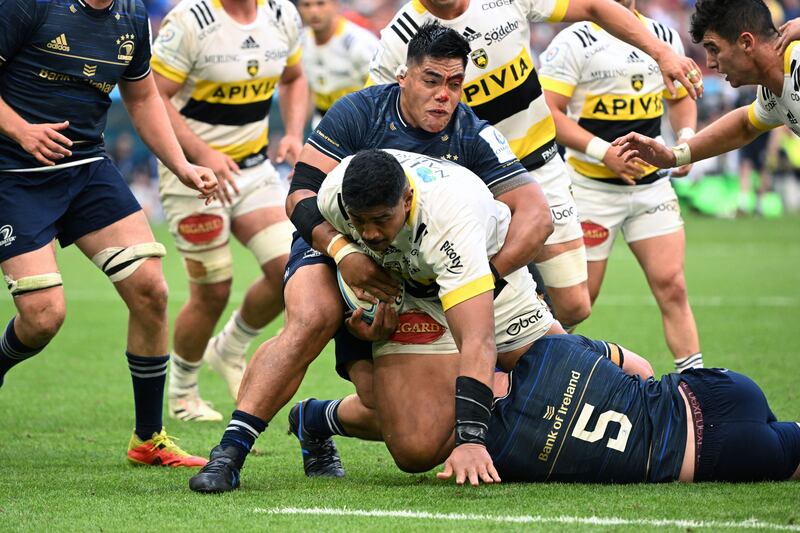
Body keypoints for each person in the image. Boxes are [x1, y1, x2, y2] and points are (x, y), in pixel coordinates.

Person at [188, 23, 556, 492]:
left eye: (454, 83)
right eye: (431, 80)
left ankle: (316, 419)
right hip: (334, 242)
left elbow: (536, 215)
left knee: (400, 421)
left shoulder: (473, 133)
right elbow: (299, 194)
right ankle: (229, 453)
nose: (444, 95)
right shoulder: (359, 112)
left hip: (417, 276)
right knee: (313, 316)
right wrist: (343, 253)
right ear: (404, 76)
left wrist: (482, 282)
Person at [367, 0, 705, 331]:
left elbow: (594, 6)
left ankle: (525, 350)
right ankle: (497, 359)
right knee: (479, 300)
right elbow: (377, 120)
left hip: (539, 166)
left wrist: (661, 53)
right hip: (472, 183)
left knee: (574, 306)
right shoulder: (400, 36)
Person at [0, 0, 217, 466]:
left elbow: (142, 98)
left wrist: (181, 164)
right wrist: (21, 131)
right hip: (14, 173)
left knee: (151, 290)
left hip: (87, 170)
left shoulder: (133, 16)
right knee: (42, 317)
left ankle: (148, 439)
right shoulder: (27, 6)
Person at [151, 0, 307, 421]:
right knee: (213, 289)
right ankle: (182, 391)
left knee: (291, 272)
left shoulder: (282, 14)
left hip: (252, 170)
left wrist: (294, 133)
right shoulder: (190, 21)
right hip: (193, 176)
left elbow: (294, 77)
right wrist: (202, 153)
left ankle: (229, 347)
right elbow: (153, 96)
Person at [538, 0, 703, 372]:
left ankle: (697, 385)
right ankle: (533, 374)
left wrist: (685, 140)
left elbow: (679, 98)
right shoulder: (573, 40)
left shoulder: (663, 36)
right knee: (577, 302)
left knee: (673, 286)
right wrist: (603, 152)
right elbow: (548, 112)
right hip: (591, 189)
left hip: (651, 188)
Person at [455, 334, 800, 484]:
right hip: (712, 389)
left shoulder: (498, 448)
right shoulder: (550, 350)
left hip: (708, 452)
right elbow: (643, 369)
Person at [614, 0, 800, 171]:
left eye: (714, 49)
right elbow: (745, 124)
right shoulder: (770, 93)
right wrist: (675, 156)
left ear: (746, 42)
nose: (710, 63)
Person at [297, 0, 379, 127]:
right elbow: (304, 91)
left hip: (360, 124)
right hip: (322, 123)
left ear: (336, 5)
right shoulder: (300, 42)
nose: (313, 11)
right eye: (306, 5)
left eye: (320, 3)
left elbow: (382, 89)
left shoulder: (360, 43)